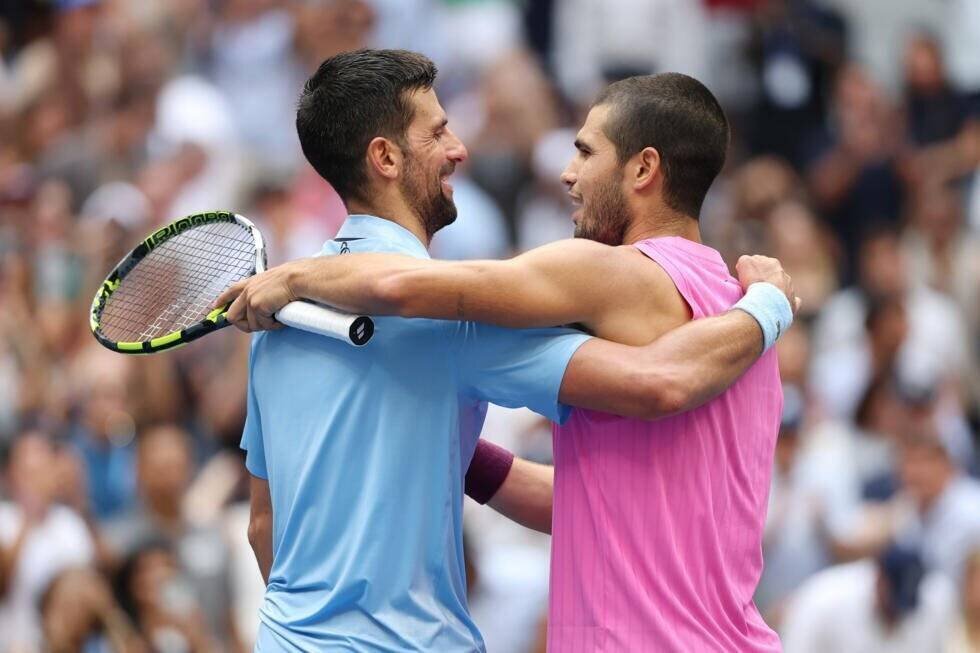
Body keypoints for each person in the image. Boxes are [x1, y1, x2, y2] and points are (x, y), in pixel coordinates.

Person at [219, 50, 797, 651]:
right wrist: (766, 307)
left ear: (645, 169)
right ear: (385, 157)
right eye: (439, 131)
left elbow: (265, 525)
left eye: (584, 151)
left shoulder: (275, 327)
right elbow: (635, 425)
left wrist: (298, 279)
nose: (461, 148)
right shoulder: (732, 308)